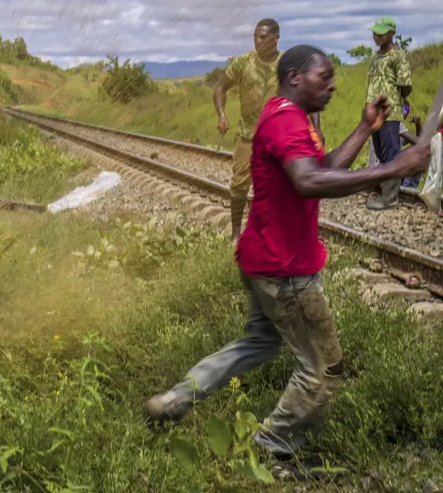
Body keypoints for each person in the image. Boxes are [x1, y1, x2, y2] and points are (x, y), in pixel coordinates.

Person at [144, 45, 429, 467]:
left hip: (262, 256)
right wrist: (393, 168)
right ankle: (272, 448)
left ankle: (175, 399)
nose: (331, 86)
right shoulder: (284, 121)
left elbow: (323, 166)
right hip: (285, 269)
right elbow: (309, 181)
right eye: (324, 78)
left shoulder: (289, 116)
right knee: (323, 368)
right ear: (295, 77)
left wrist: (366, 128)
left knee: (258, 342)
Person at [213, 19, 281, 242]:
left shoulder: (285, 64)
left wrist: (314, 127)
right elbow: (221, 87)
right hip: (247, 135)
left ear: (275, 38)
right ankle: (235, 234)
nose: (258, 41)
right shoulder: (244, 62)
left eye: (263, 37)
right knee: (239, 185)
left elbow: (305, 94)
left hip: (276, 137)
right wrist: (222, 114)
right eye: (255, 36)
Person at [364, 16, 413, 210]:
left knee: (391, 153)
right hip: (374, 112)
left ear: (392, 33)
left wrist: (398, 101)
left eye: (382, 33)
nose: (377, 36)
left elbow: (406, 84)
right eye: (375, 32)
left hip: (390, 113)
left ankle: (391, 197)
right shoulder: (375, 57)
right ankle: (386, 191)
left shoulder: (397, 55)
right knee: (380, 151)